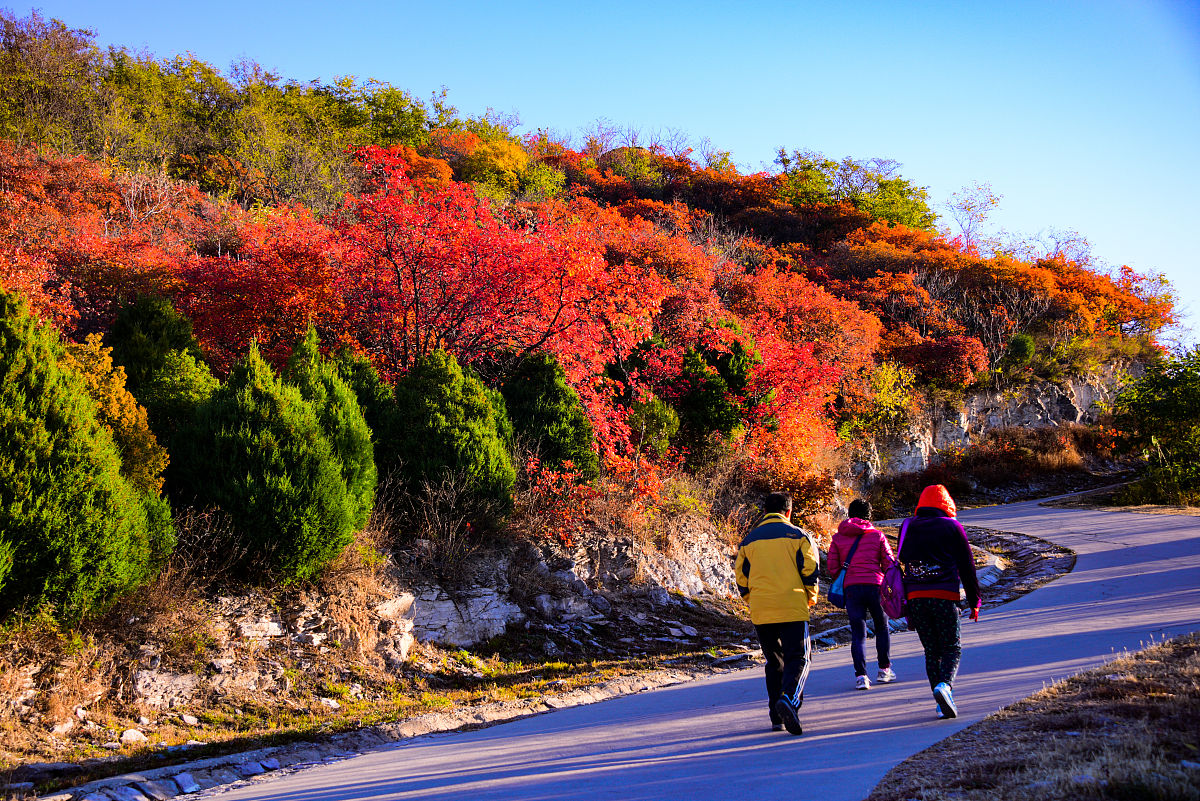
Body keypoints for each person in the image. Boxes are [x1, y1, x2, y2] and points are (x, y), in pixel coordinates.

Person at [735, 491, 820, 735]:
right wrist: (810, 598)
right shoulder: (798, 535)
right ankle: (789, 700)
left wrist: (753, 599)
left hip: (762, 609)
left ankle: (776, 716)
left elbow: (742, 577)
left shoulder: (749, 540)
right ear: (789, 512)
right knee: (800, 658)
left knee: (775, 661)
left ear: (764, 512)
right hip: (792, 604)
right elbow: (810, 570)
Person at [898, 484, 981, 719]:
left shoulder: (907, 525)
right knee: (952, 647)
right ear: (947, 503)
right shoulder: (952, 526)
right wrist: (974, 601)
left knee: (931, 650)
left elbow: (902, 558)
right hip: (944, 596)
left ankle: (939, 701)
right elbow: (967, 566)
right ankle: (944, 687)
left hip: (916, 598)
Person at [827, 498, 896, 690]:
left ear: (849, 514)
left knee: (858, 633)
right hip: (876, 586)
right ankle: (884, 670)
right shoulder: (877, 535)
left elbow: (832, 566)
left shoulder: (838, 537)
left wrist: (847, 576)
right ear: (869, 515)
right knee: (882, 627)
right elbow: (889, 564)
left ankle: (861, 677)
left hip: (852, 588)